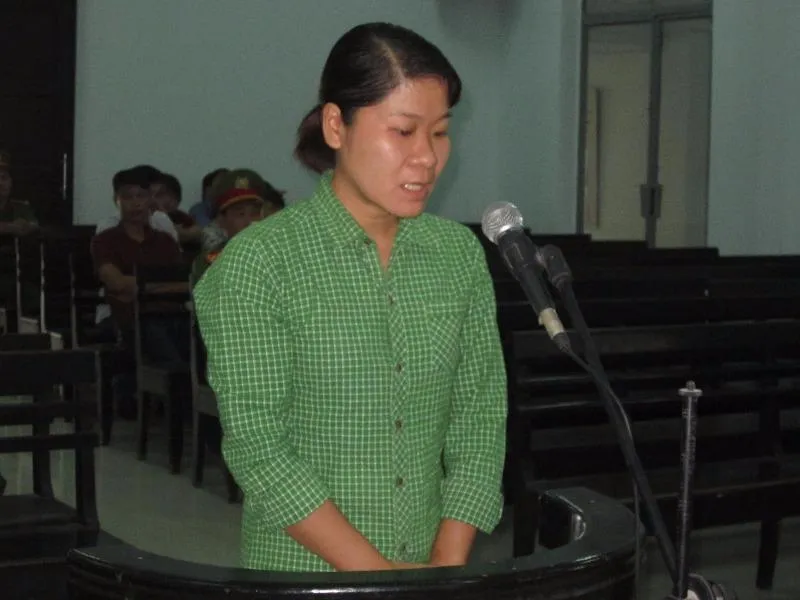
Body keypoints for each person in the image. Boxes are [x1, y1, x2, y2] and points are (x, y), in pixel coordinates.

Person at [194, 22, 506, 573]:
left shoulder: (457, 255)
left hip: (432, 572)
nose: (427, 158)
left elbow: (479, 418)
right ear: (337, 126)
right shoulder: (259, 264)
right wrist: (382, 582)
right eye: (403, 131)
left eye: (439, 133)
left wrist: (444, 567)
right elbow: (260, 449)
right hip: (302, 576)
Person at [91, 166, 190, 417]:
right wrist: (157, 288)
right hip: (127, 317)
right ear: (116, 200)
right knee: (154, 334)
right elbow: (115, 282)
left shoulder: (164, 241)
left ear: (150, 200)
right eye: (128, 197)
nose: (136, 203)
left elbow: (185, 283)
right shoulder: (106, 239)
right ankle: (181, 398)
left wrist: (143, 287)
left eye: (141, 196)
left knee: (197, 331)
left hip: (170, 313)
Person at [190, 168, 284, 287]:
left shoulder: (281, 258)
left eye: (255, 213)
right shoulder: (210, 264)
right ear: (222, 220)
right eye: (240, 214)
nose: (249, 221)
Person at [151, 172, 203, 244]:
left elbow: (199, 232)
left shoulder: (179, 216)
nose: (153, 199)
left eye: (160, 194)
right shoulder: (145, 217)